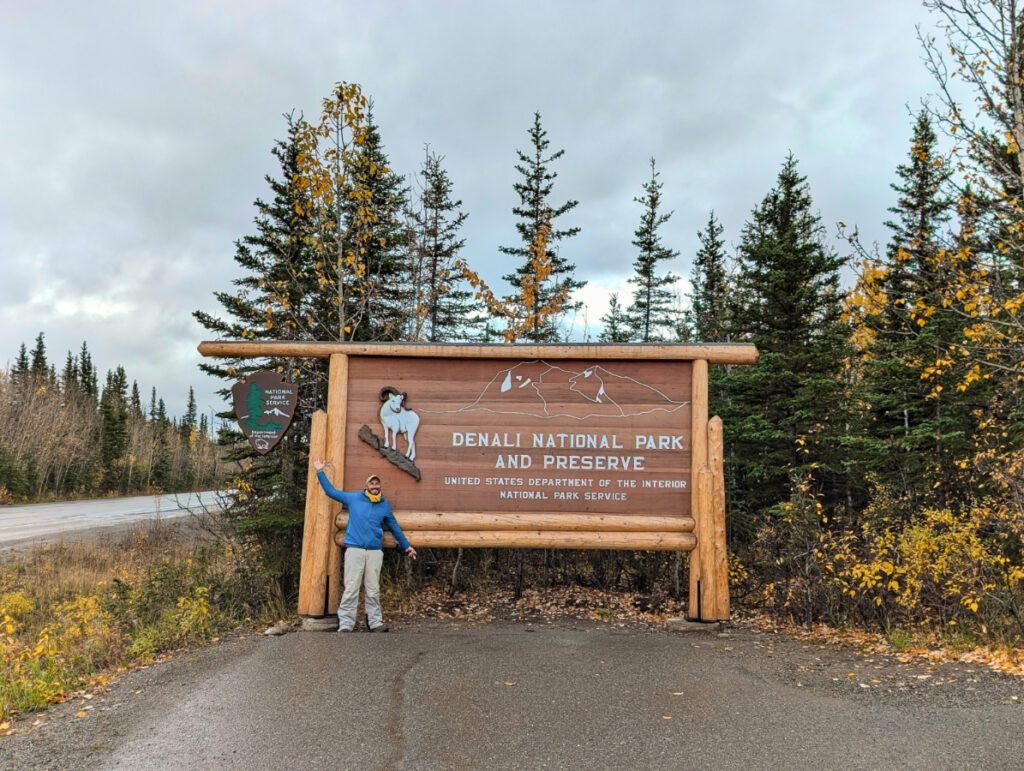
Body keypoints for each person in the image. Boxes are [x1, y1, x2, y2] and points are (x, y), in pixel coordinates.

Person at [312, 460, 417, 632]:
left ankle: (374, 622)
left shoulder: (384, 506)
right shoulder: (354, 498)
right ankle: (346, 623)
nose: (374, 485)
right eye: (371, 483)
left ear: (380, 486)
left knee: (373, 589)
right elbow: (331, 491)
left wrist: (407, 546)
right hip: (355, 550)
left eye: (377, 483)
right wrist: (320, 471)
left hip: (375, 552)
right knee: (352, 587)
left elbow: (395, 527)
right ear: (366, 485)